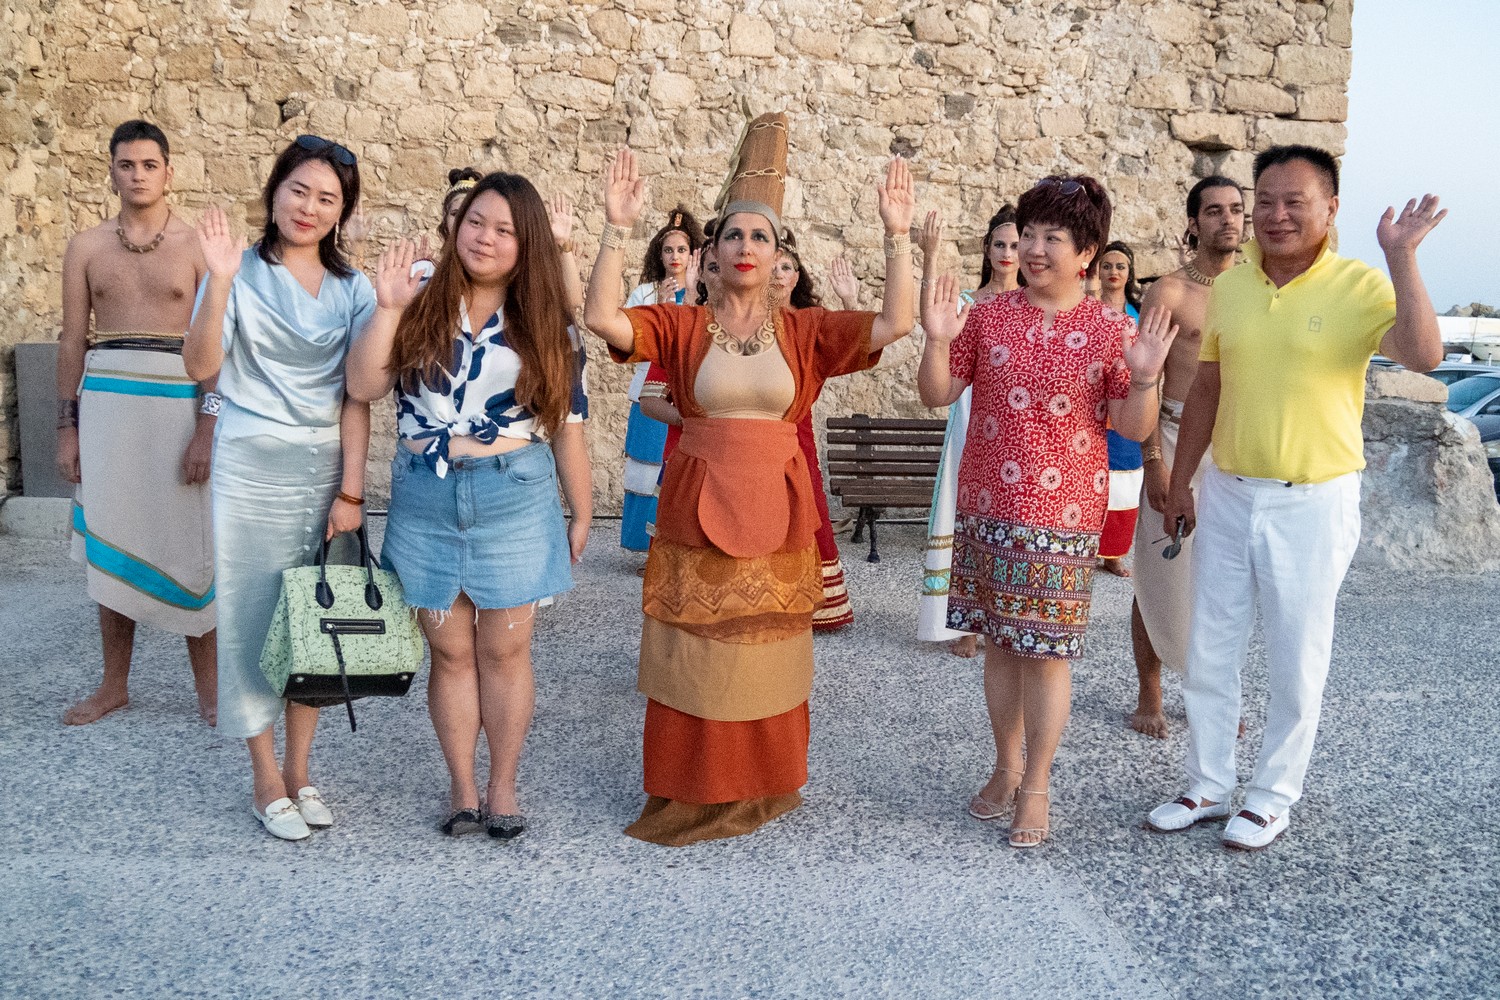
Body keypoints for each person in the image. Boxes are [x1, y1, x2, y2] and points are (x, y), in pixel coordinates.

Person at [582, 123, 915, 846]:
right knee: (696, 649)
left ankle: (764, 782)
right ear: (711, 255)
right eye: (733, 235)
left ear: (775, 254)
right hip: (696, 504)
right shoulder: (679, 324)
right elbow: (601, 318)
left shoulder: (806, 331)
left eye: (760, 237)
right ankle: (693, 788)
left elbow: (896, 322)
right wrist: (615, 228)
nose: (746, 246)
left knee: (767, 648)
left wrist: (896, 235)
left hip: (779, 508)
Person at [1146, 146, 1445, 850]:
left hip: (1312, 499)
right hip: (1228, 490)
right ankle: (1208, 784)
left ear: (1330, 209)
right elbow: (1208, 388)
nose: (1276, 215)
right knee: (1210, 646)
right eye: (1266, 201)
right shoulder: (1234, 287)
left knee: (1295, 654)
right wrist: (1182, 481)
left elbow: (1424, 353)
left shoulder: (1358, 285)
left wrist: (1402, 257)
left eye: (1295, 202)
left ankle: (1271, 797)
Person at [918, 175, 1175, 847]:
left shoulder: (1110, 328)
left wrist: (1145, 376)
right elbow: (936, 394)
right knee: (1000, 645)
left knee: (1047, 653)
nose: (1033, 249)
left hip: (1062, 515)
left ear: (1086, 252)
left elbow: (1131, 424)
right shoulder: (988, 316)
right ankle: (1005, 766)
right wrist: (936, 339)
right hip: (987, 503)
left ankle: (1037, 783)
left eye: (1051, 237)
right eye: (1028, 234)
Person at [346, 172, 591, 841]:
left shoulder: (547, 318)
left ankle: (503, 784)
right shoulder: (418, 293)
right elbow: (363, 386)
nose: (485, 237)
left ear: (526, 242)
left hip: (513, 494)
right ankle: (461, 786)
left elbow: (569, 422)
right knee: (450, 654)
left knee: (504, 652)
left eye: (504, 229)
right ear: (456, 225)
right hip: (424, 496)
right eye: (476, 221)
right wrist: (386, 309)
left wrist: (582, 509)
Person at [184, 135, 375, 841]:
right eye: (299, 190)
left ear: (342, 212)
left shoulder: (354, 290)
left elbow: (359, 395)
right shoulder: (236, 270)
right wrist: (218, 282)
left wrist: (350, 491)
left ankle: (300, 768)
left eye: (327, 198)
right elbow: (199, 365)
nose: (309, 207)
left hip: (321, 469)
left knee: (313, 617)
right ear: (274, 191)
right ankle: (264, 775)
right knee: (251, 613)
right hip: (250, 467)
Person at [57, 119, 218, 726]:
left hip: (179, 407)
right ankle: (113, 685)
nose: (138, 175)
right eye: (127, 165)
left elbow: (218, 348)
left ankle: (210, 691)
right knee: (112, 539)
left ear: (169, 173)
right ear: (112, 172)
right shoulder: (86, 247)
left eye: (150, 165)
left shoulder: (198, 247)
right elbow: (72, 340)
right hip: (107, 407)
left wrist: (207, 428)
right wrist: (66, 428)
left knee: (191, 544)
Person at [1127, 176, 1244, 739]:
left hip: (1236, 447)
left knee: (1227, 580)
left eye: (1236, 209)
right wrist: (1154, 461)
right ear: (1194, 223)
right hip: (1174, 439)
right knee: (1160, 570)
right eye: (1214, 211)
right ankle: (1150, 690)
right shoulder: (1169, 293)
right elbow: (1146, 379)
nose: (1229, 219)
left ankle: (1215, 692)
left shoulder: (1258, 289)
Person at [919, 205, 1020, 659]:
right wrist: (930, 255)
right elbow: (933, 329)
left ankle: (1008, 613)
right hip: (968, 413)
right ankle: (966, 622)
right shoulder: (967, 302)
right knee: (965, 514)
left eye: (1015, 244)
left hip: (1013, 423)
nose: (1007, 252)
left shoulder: (1031, 307)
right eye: (999, 243)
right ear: (986, 248)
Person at [772, 231, 856, 631]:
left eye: (786, 267)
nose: (777, 273)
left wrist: (850, 303)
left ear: (796, 277)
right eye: (772, 266)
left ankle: (818, 604)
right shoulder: (743, 320)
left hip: (796, 430)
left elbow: (850, 350)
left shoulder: (811, 323)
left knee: (808, 509)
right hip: (751, 431)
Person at [621, 208, 705, 553]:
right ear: (659, 255)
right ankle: (643, 545)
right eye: (668, 250)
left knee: (677, 470)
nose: (675, 256)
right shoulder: (643, 293)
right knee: (644, 468)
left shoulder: (704, 293)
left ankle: (672, 547)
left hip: (687, 392)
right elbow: (629, 344)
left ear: (693, 254)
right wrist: (657, 308)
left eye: (681, 249)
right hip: (649, 392)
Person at [1095, 241, 1145, 577]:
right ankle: (1084, 545)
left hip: (1126, 407)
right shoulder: (1086, 309)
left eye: (1120, 266)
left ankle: (1113, 553)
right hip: (1092, 408)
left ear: (1129, 273)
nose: (1113, 271)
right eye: (1107, 265)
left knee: (1124, 484)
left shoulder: (1139, 313)